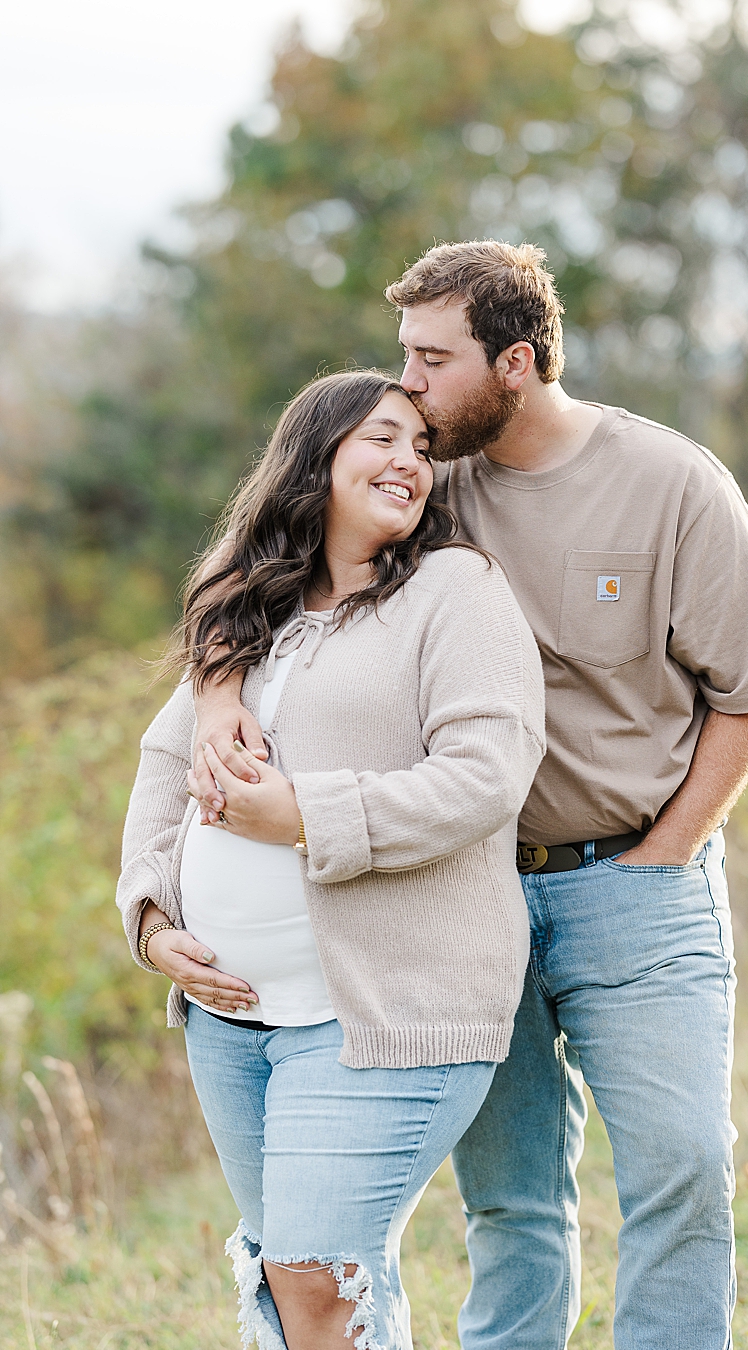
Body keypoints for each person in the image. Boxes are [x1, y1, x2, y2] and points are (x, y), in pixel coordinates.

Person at [191, 244, 748, 1350]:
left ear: (515, 363)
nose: (410, 385)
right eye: (405, 357)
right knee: (513, 1194)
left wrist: (665, 853)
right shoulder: (427, 489)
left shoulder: (672, 484)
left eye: (433, 359)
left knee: (682, 1166)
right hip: (459, 899)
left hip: (636, 879)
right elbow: (271, 573)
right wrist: (216, 694)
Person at [116, 369, 545, 1350]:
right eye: (381, 439)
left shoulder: (456, 591)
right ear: (316, 456)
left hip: (385, 1010)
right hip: (232, 1019)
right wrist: (150, 920)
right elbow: (165, 763)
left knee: (315, 1270)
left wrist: (304, 814)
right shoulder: (248, 615)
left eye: (421, 449)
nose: (409, 463)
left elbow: (486, 777)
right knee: (284, 1272)